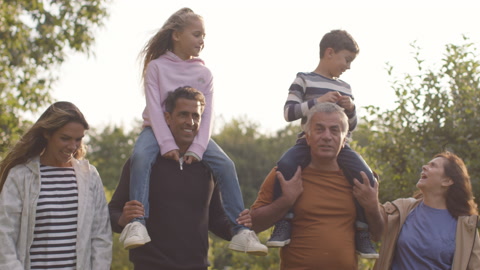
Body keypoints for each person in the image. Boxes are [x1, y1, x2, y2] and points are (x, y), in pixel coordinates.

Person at [120, 7, 266, 255]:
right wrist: (167, 144)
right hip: (155, 131)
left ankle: (241, 231)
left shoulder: (204, 73)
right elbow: (155, 109)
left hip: (196, 136)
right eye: (196, 35)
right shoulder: (156, 67)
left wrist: (198, 148)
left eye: (204, 36)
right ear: (176, 35)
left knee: (226, 165)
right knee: (141, 158)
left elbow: (206, 115)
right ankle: (137, 224)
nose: (202, 41)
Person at [109, 87, 257, 269]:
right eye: (183, 115)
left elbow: (216, 218)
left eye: (196, 116)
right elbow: (112, 212)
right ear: (167, 118)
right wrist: (123, 219)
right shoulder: (142, 163)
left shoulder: (209, 166)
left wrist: (239, 225)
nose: (190, 122)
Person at [267, 29, 378, 258]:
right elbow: (289, 112)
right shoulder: (304, 79)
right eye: (346, 59)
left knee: (366, 175)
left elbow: (352, 125)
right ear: (329, 52)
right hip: (307, 143)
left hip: (341, 147)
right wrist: (318, 101)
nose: (348, 66)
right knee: (285, 165)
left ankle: (362, 231)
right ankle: (284, 221)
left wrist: (351, 109)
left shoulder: (346, 87)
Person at [250, 102, 383, 269]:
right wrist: (285, 201)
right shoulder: (285, 175)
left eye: (334, 130)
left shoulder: (358, 180)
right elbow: (253, 225)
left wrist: (371, 207)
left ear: (344, 140)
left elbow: (378, 234)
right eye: (319, 129)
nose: (327, 136)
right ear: (307, 137)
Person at [0, 101, 112, 270]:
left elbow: (101, 237)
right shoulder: (21, 176)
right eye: (65, 138)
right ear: (47, 134)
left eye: (78, 139)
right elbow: (4, 236)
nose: (73, 146)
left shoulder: (90, 176)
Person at [354, 152, 480, 270]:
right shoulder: (403, 209)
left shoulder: (465, 227)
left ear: (447, 181)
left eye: (433, 166)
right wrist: (371, 202)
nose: (424, 167)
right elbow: (376, 229)